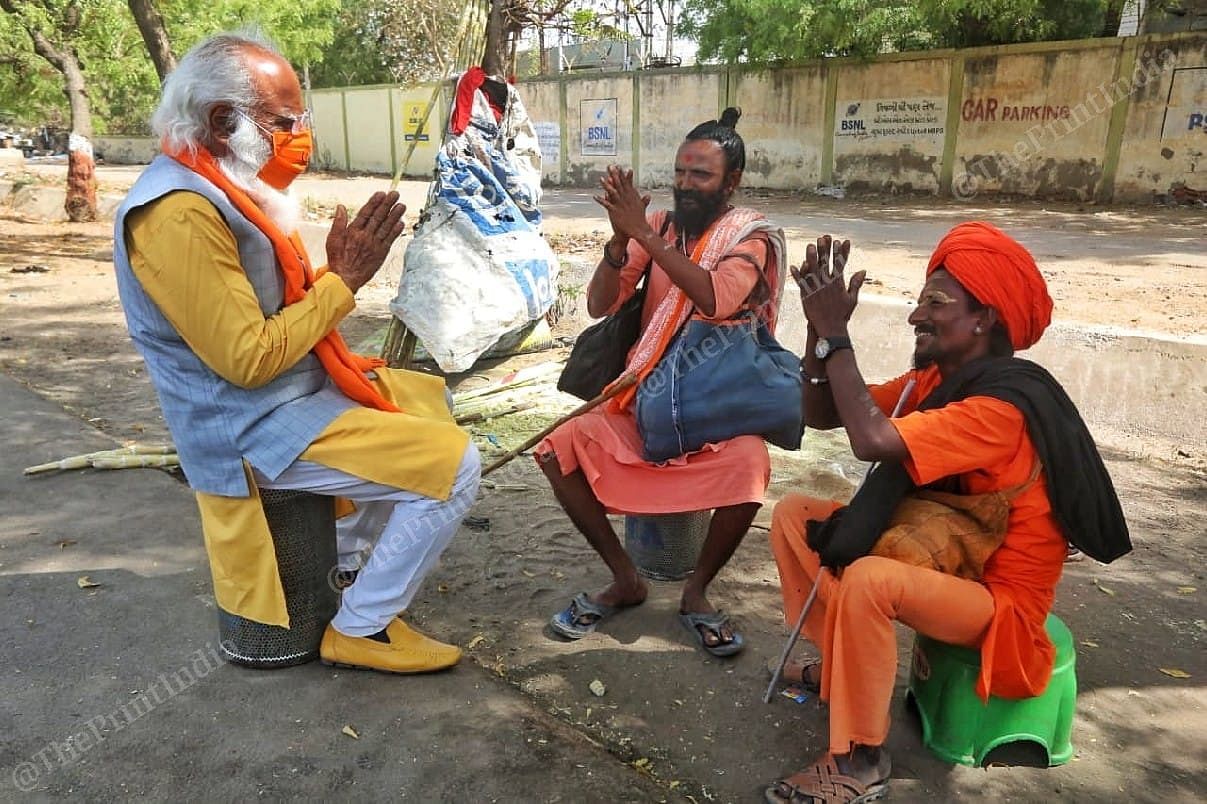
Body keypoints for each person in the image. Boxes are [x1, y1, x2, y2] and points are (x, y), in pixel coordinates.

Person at [112, 32, 480, 675]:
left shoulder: (225, 183)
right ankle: (362, 627)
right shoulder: (176, 211)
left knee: (424, 396)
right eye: (285, 121)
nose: (300, 135)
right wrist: (342, 281)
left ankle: (342, 568)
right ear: (224, 121)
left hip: (288, 398)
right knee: (456, 466)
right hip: (246, 427)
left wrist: (327, 276)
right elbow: (247, 359)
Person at [763, 223, 1130, 802]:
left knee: (867, 579)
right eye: (919, 300)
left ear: (983, 319)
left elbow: (873, 440)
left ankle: (860, 760)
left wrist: (839, 334)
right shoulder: (936, 379)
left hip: (997, 599)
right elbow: (824, 412)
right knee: (793, 515)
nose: (916, 316)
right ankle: (837, 670)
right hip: (947, 551)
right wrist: (818, 334)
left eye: (936, 302)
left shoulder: (999, 409)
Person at [538, 108, 788, 657]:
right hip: (642, 398)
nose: (685, 184)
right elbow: (600, 304)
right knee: (556, 450)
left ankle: (696, 592)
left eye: (700, 175)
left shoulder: (749, 237)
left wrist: (644, 239)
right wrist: (616, 243)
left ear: (733, 182)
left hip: (713, 408)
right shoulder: (662, 229)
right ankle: (626, 579)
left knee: (751, 465)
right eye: (680, 172)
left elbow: (716, 297)